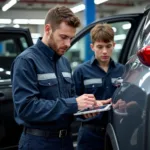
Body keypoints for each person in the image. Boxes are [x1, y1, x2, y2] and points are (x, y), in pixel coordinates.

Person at [11, 6, 98, 150]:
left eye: (71, 38)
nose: (68, 44)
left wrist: (87, 107)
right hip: (38, 143)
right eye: (63, 37)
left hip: (65, 142)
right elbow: (26, 108)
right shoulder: (26, 61)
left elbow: (70, 98)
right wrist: (74, 104)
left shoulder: (64, 62)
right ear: (47, 29)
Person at [73, 23, 125, 150]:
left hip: (117, 132)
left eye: (108, 46)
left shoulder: (123, 71)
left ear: (114, 45)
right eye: (100, 47)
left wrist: (124, 104)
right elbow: (72, 100)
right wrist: (88, 107)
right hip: (89, 135)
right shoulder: (81, 71)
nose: (105, 51)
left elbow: (128, 97)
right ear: (92, 47)